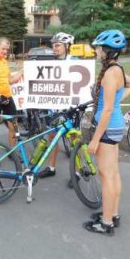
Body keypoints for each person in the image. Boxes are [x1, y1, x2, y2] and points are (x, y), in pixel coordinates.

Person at [83, 30, 130, 236]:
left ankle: (106, 223)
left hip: (107, 128)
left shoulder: (110, 73)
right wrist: (114, 101)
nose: (96, 51)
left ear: (107, 51)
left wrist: (95, 140)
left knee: (106, 176)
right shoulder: (117, 69)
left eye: (98, 48)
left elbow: (106, 109)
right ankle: (113, 215)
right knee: (113, 174)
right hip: (114, 126)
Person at [37, 32, 75, 178]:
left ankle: (77, 172)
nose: (55, 48)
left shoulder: (74, 61)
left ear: (66, 46)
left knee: (73, 139)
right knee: (52, 137)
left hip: (70, 107)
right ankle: (51, 168)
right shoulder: (50, 62)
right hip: (54, 106)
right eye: (53, 45)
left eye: (58, 45)